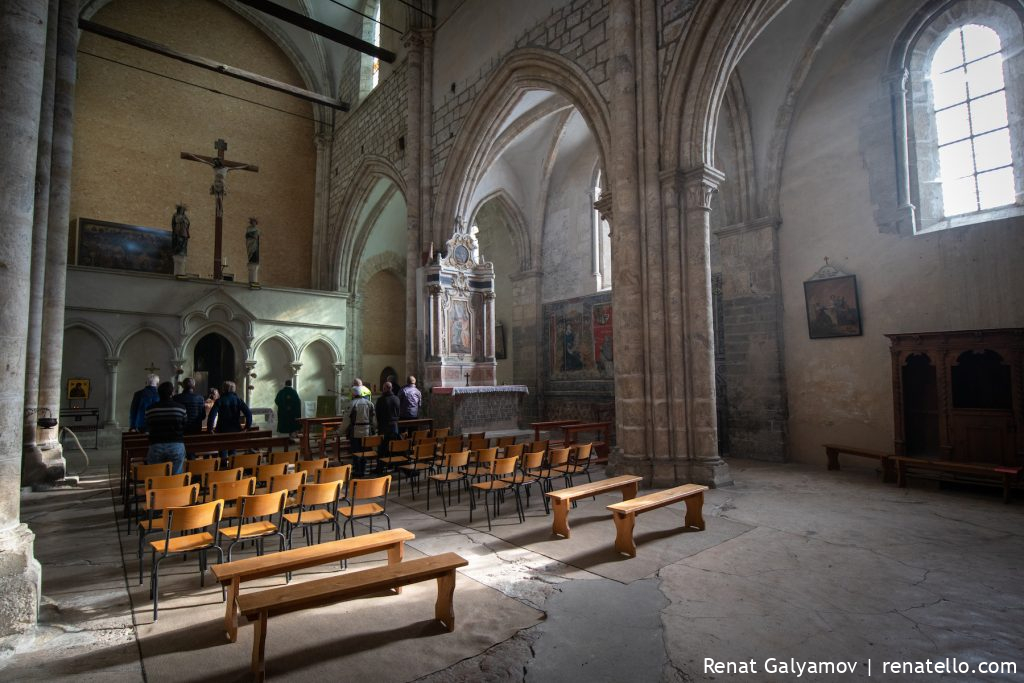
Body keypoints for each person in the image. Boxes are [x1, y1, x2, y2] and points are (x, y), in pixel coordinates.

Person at [144, 381, 187, 475]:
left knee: (156, 476)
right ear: (172, 393)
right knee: (176, 477)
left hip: (156, 444)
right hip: (176, 444)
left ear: (158, 393)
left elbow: (147, 425)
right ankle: (175, 489)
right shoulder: (181, 408)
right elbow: (184, 424)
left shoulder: (150, 409)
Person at [347, 385, 376, 477]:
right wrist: (374, 429)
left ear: (353, 394)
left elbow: (346, 420)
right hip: (367, 431)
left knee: (356, 451)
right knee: (364, 451)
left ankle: (357, 470)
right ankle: (363, 469)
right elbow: (374, 420)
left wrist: (340, 431)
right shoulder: (370, 403)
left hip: (355, 431)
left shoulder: (352, 404)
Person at [375, 381, 401, 470]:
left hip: (384, 427)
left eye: (383, 388)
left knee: (382, 448)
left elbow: (377, 414)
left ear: (385, 388)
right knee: (394, 446)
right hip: (395, 426)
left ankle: (380, 467)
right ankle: (394, 465)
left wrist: (379, 424)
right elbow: (398, 412)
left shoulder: (381, 400)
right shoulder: (396, 398)